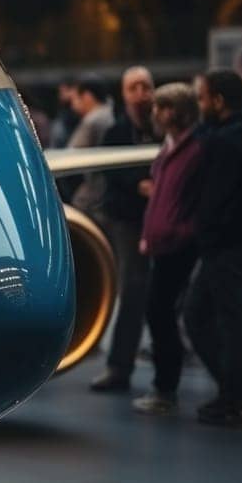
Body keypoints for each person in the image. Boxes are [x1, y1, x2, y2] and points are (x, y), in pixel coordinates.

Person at [182, 70, 242, 425]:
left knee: (202, 317)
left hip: (224, 248)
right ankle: (238, 391)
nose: (200, 105)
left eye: (203, 98)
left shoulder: (222, 142)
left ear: (218, 101)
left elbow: (213, 201)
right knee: (238, 322)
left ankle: (237, 395)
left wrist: (203, 233)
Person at [132, 83, 204, 414]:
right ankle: (164, 386)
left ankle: (165, 388)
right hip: (162, 242)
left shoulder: (195, 151)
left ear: (178, 112)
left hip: (177, 245)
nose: (156, 113)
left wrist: (178, 232)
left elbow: (196, 203)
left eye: (163, 107)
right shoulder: (170, 148)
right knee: (159, 313)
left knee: (161, 313)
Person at [90, 67, 154, 393]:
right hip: (129, 219)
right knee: (132, 289)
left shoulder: (162, 128)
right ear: (124, 94)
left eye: (146, 86)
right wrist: (138, 184)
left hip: (162, 220)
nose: (141, 93)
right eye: (134, 88)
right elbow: (111, 174)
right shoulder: (115, 132)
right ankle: (119, 366)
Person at [66, 76, 115, 219]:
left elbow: (71, 154)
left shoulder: (93, 120)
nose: (72, 104)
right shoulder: (110, 112)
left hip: (96, 195)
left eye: (75, 98)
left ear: (87, 96)